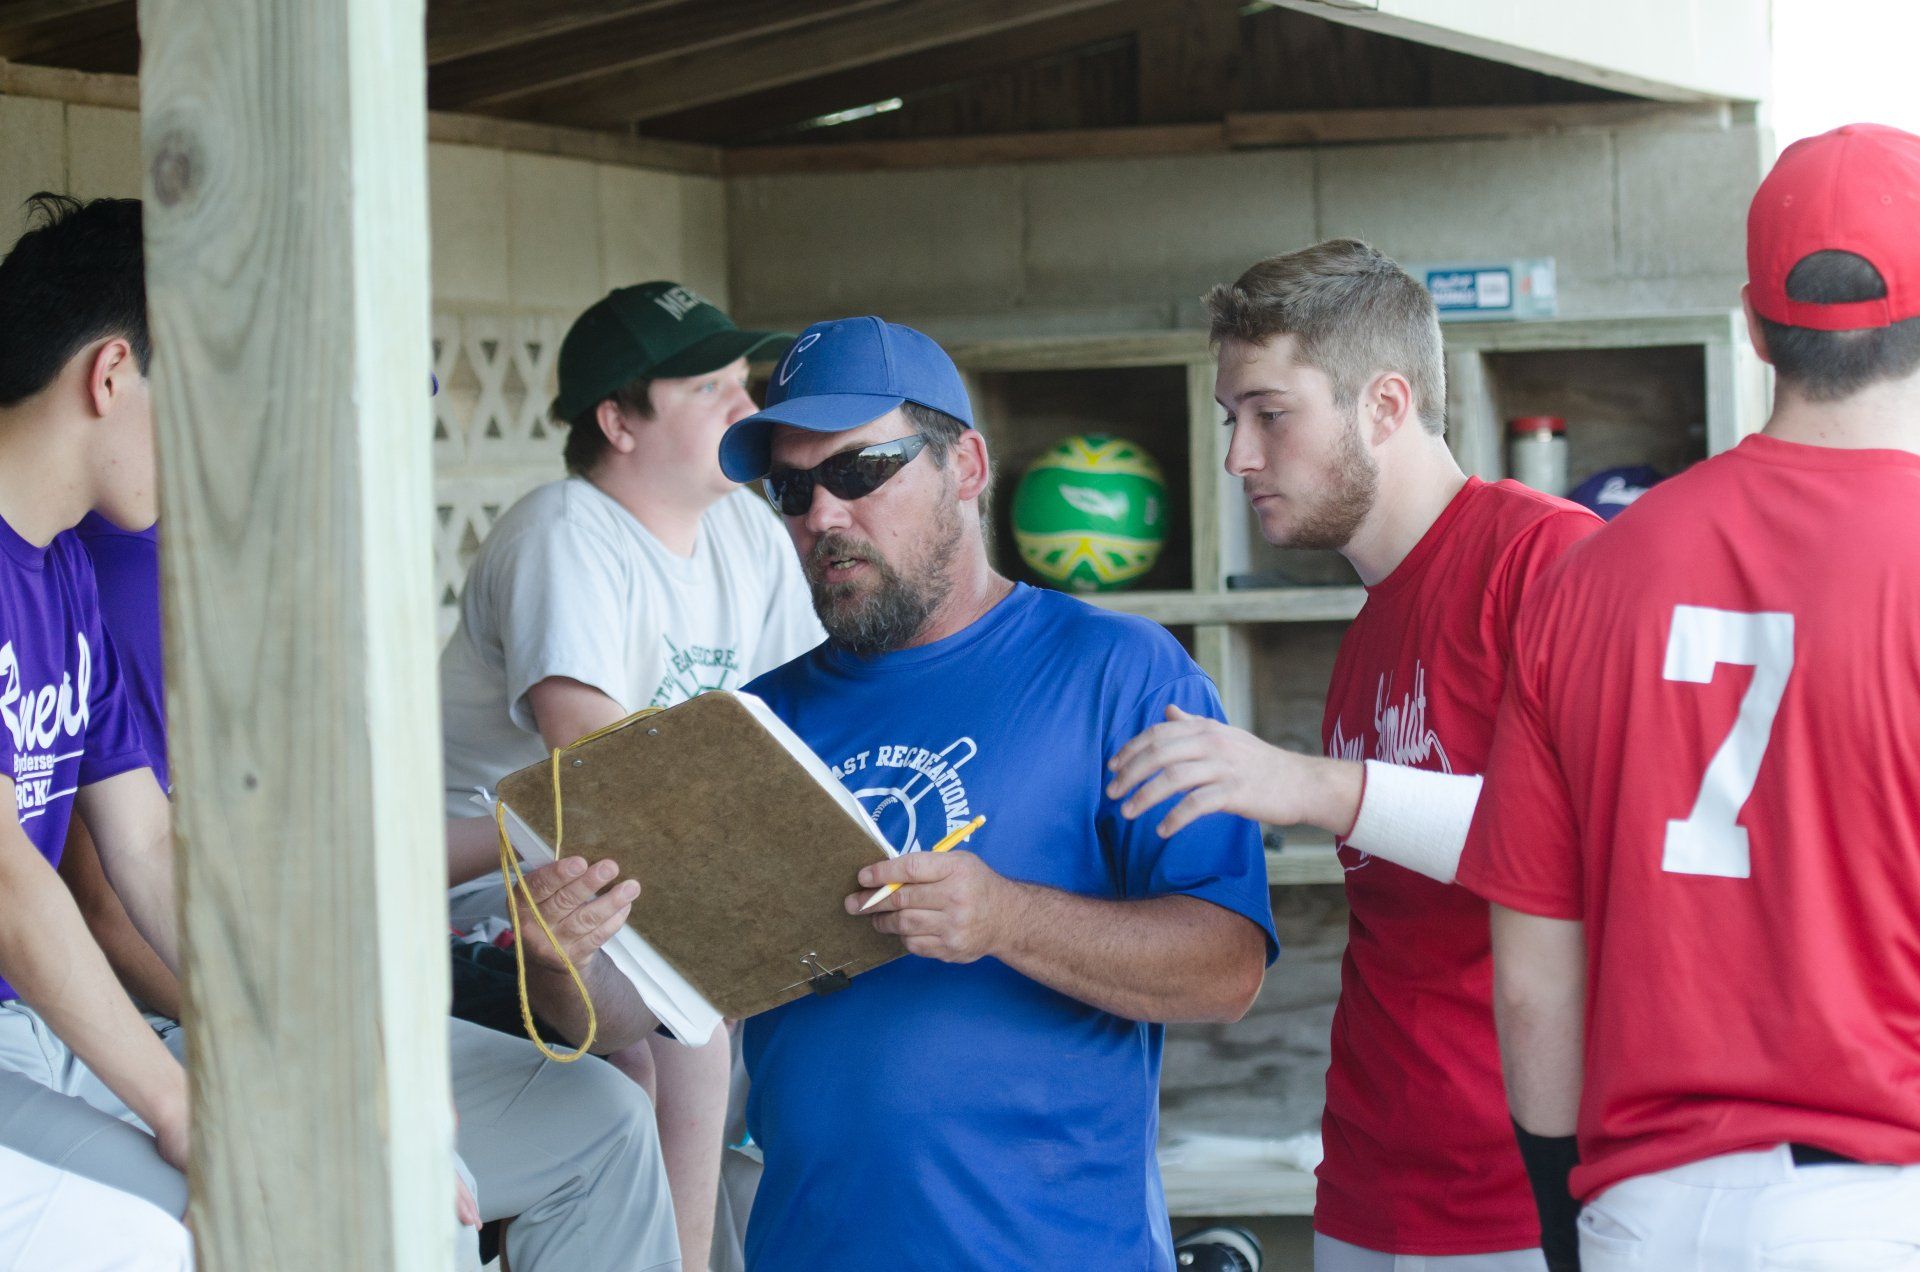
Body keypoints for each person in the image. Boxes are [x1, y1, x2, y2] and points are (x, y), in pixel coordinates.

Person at [0, 193, 681, 1272]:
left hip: (64, 1038)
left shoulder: (65, 566)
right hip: (44, 1040)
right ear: (113, 374)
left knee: (538, 1133)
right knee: (306, 1219)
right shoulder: (84, 557)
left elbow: (144, 846)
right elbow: (26, 890)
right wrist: (198, 1107)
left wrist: (315, 1063)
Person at [712, 316, 1277, 1270]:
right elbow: (645, 1004)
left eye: (857, 471)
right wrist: (574, 956)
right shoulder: (755, 725)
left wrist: (1004, 917)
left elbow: (1227, 969)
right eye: (792, 488)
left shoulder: (1122, 673)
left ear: (966, 466)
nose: (821, 516)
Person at [1458, 122, 1920, 1269]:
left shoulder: (1590, 573)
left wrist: (1568, 1229)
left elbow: (1531, 981)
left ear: (1755, 324)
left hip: (1650, 1211)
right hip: (1884, 1205)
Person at [1106, 239, 1601, 1271]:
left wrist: (1309, 785)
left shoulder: (1545, 558)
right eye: (1230, 421)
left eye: (1269, 414)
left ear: (1383, 405)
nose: (1239, 457)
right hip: (1373, 1175)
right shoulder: (1371, 624)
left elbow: (1589, 850)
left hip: (1521, 1190)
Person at [438, 281, 821, 1267]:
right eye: (709, 387)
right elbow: (605, 766)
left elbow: (800, 714)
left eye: (745, 381)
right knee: (676, 1018)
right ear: (618, 420)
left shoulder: (743, 530)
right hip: (481, 883)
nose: (747, 406)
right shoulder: (567, 528)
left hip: (619, 869)